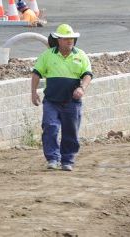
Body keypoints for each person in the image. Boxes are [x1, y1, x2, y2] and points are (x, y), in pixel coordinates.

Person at [31, 24, 93, 171]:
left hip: (72, 102)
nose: (70, 41)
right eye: (66, 38)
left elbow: (87, 74)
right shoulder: (47, 55)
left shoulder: (81, 55)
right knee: (50, 127)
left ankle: (67, 160)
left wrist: (82, 88)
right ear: (58, 40)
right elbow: (36, 73)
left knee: (71, 131)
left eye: (71, 38)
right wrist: (33, 92)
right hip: (51, 101)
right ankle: (52, 158)